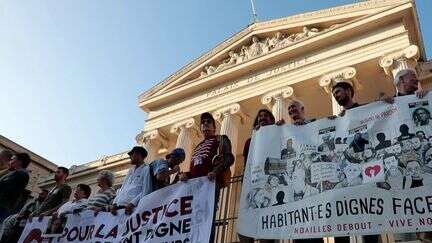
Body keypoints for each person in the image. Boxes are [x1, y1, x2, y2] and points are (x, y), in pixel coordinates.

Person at [179, 112, 234, 243]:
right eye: (203, 123)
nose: (205, 124)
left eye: (208, 122)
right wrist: (185, 175)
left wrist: (215, 171)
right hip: (194, 188)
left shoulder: (221, 139)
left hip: (210, 185)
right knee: (192, 219)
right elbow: (194, 169)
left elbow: (229, 157)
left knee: (207, 219)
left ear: (214, 127)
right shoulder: (198, 146)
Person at [109, 146, 152, 216]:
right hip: (118, 208)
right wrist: (114, 203)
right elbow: (122, 188)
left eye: (132, 154)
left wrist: (132, 203)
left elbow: (146, 189)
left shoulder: (147, 169)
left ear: (139, 155)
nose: (130, 157)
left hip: (132, 209)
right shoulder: (130, 171)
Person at [0, 153, 30, 223]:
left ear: (20, 161)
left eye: (12, 159)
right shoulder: (17, 173)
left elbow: (6, 188)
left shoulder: (20, 173)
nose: (10, 161)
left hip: (2, 205)